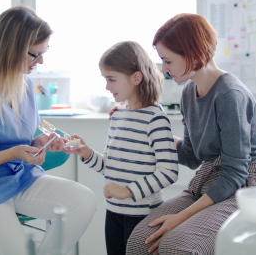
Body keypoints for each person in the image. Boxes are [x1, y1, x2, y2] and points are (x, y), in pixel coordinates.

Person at [0, 5, 96, 255]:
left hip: (19, 178)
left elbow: (28, 130)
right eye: (35, 54)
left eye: (44, 52)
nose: (40, 61)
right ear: (11, 49)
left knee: (82, 199)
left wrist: (41, 142)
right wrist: (13, 153)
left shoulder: (24, 84)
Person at [126, 13, 256, 255]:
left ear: (193, 54)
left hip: (245, 186)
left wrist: (180, 217)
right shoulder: (189, 92)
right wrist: (153, 135)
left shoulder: (229, 95)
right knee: (139, 242)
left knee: (177, 247)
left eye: (168, 61)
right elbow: (192, 156)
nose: (164, 69)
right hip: (209, 179)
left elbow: (235, 172)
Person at [66, 41, 179, 255]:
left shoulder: (155, 118)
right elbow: (111, 166)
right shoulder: (118, 115)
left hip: (143, 215)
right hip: (114, 212)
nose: (107, 87)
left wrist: (127, 191)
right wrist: (87, 153)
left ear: (136, 78)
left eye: (111, 79)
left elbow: (169, 172)